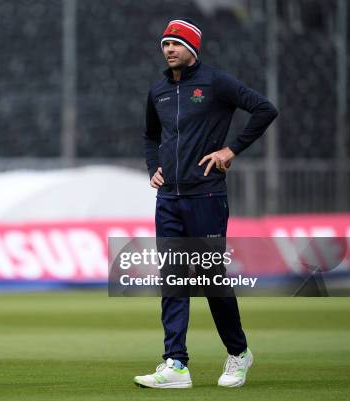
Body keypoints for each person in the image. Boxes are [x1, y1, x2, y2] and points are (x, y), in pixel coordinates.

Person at [133, 18, 278, 389]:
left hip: (206, 195)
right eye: (165, 44)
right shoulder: (158, 90)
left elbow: (264, 109)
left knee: (211, 279)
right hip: (168, 199)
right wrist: (153, 167)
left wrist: (232, 149)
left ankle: (238, 353)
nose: (168, 49)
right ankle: (176, 364)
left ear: (192, 49)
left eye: (176, 44)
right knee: (173, 279)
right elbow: (150, 135)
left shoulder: (215, 82)